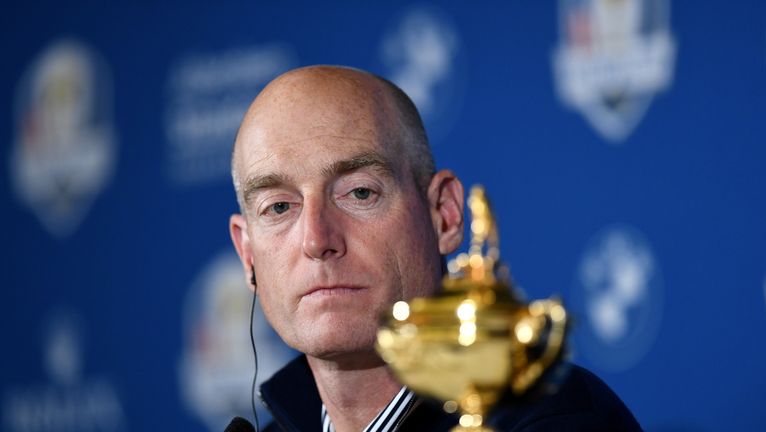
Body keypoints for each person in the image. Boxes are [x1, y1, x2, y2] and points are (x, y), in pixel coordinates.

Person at [228, 65, 641, 432]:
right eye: (278, 207)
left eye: (359, 193)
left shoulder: (554, 420)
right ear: (248, 255)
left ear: (444, 214)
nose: (317, 240)